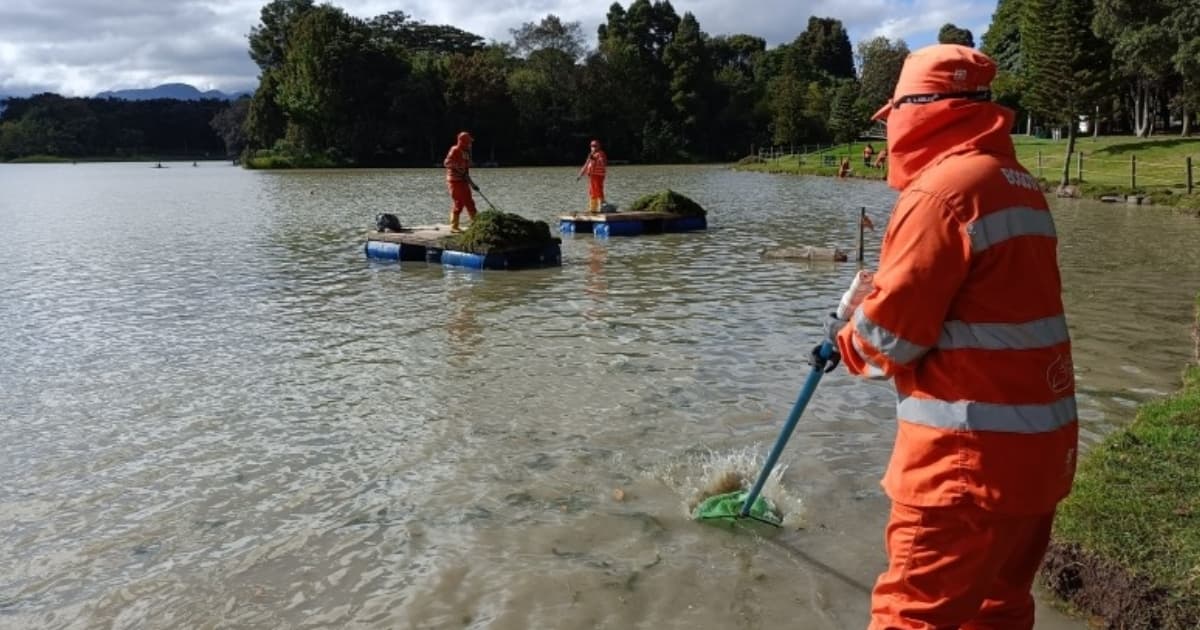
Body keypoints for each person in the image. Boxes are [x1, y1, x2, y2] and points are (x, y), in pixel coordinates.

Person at [816, 44, 1078, 629]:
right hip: (1038, 458)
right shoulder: (1015, 182)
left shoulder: (940, 193)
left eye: (895, 114)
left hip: (963, 468)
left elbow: (889, 341)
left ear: (924, 108)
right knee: (997, 612)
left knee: (912, 619)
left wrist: (844, 340)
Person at [444, 131, 478, 232]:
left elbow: (466, 171)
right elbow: (447, 162)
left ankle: (476, 223)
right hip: (455, 182)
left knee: (470, 202)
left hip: (463, 181)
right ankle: (454, 226)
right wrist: (458, 167)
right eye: (468, 142)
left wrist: (472, 184)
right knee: (459, 203)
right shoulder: (455, 150)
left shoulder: (466, 153)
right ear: (463, 142)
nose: (470, 144)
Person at [578, 139, 608, 213]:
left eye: (595, 146)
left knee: (599, 190)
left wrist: (596, 159)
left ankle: (602, 207)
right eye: (592, 146)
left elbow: (602, 162)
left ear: (598, 146)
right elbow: (586, 164)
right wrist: (580, 174)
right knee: (592, 191)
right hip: (592, 176)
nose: (593, 147)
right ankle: (593, 209)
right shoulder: (591, 155)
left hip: (598, 176)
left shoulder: (601, 153)